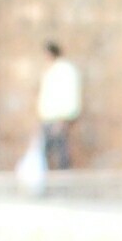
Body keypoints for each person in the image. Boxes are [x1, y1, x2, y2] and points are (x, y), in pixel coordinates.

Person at [37, 40, 82, 174]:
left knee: (61, 150)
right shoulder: (51, 70)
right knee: (47, 151)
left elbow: (69, 94)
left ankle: (64, 179)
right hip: (48, 117)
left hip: (60, 117)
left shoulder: (65, 71)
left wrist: (65, 118)